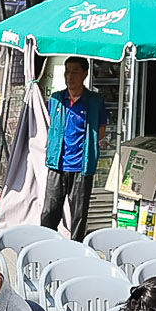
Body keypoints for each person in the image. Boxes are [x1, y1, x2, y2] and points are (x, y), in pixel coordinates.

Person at [40, 56, 105, 238]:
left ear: (85, 74)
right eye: (67, 71)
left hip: (82, 166)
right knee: (49, 211)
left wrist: (85, 147)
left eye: (75, 72)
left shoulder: (95, 101)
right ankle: (44, 244)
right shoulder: (56, 99)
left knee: (79, 214)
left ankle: (75, 249)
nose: (70, 76)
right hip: (57, 163)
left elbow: (101, 131)